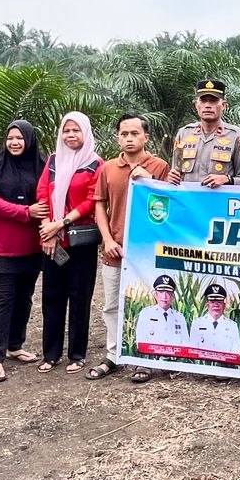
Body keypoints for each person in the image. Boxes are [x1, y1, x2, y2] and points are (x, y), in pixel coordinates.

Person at [92, 113, 171, 381]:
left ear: (145, 137)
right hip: (115, 247)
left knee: (146, 301)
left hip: (147, 251)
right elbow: (99, 204)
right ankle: (113, 355)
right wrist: (107, 239)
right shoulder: (109, 168)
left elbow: (167, 203)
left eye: (134, 133)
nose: (129, 138)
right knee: (111, 305)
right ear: (118, 137)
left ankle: (144, 357)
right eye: (124, 134)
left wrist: (149, 179)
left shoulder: (159, 166)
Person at [0, 120, 46, 383]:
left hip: (33, 245)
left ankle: (15, 345)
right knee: (4, 299)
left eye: (20, 138)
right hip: (3, 246)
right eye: (10, 138)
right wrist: (25, 211)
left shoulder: (41, 165)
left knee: (25, 297)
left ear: (29, 140)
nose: (14, 143)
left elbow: (50, 194)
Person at [34, 112, 102, 374]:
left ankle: (77, 353)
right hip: (53, 240)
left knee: (80, 296)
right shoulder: (52, 161)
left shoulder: (95, 164)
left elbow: (91, 200)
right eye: (66, 130)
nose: (71, 135)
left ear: (86, 133)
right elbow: (42, 193)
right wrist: (47, 230)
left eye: (76, 131)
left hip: (80, 240)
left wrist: (60, 223)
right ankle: (51, 354)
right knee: (51, 296)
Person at [168, 79, 240, 188]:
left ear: (224, 105)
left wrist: (227, 179)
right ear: (196, 104)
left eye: (213, 101)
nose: (208, 105)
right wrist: (172, 177)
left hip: (219, 202)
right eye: (203, 100)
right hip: (187, 201)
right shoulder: (183, 134)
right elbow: (176, 172)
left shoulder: (237, 136)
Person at [189, 281, 240, 358]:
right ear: (207, 305)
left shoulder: (232, 326)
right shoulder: (197, 323)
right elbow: (192, 351)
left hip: (224, 368)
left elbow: (237, 354)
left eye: (219, 301)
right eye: (212, 301)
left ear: (224, 305)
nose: (216, 305)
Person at [135, 274, 188, 349]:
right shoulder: (146, 314)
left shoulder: (179, 317)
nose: (164, 296)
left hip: (174, 359)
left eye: (168, 292)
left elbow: (185, 344)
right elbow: (140, 341)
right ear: (155, 295)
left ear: (172, 297)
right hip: (151, 358)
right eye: (161, 292)